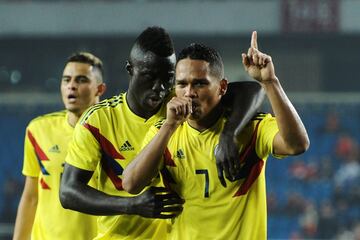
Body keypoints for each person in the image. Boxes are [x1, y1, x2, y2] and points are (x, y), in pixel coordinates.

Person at [60, 26, 264, 239]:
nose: (159, 87)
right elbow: (68, 192)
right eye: (149, 76)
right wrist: (131, 205)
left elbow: (252, 90)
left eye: (167, 77)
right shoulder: (98, 121)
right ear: (130, 69)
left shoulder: (180, 102)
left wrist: (229, 133)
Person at [122, 31, 310, 240]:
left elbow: (297, 145)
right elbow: (131, 184)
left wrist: (270, 82)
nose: (189, 92)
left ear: (221, 88)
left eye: (200, 83)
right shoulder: (162, 132)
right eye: (182, 84)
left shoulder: (251, 129)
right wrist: (169, 126)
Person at [13, 52, 106, 240]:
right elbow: (31, 197)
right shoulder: (38, 130)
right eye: (66, 80)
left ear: (100, 89)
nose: (72, 85)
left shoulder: (115, 134)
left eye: (81, 80)